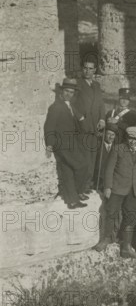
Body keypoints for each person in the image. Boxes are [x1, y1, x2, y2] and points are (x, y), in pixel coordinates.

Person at [93, 127, 136, 258]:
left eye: (135, 139)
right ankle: (106, 239)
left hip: (134, 190)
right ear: (127, 138)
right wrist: (108, 187)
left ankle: (126, 247)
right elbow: (109, 169)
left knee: (131, 216)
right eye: (130, 138)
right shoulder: (118, 149)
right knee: (111, 212)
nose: (132, 141)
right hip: (117, 188)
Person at [44, 78, 89, 209]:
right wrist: (49, 145)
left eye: (71, 92)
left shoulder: (70, 106)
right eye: (66, 91)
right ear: (61, 92)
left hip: (72, 143)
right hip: (62, 145)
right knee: (82, 165)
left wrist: (80, 118)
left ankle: (73, 199)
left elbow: (80, 121)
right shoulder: (55, 107)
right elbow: (49, 127)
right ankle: (78, 193)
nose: (69, 94)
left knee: (68, 171)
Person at [74, 60, 105, 192]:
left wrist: (103, 119)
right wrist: (80, 118)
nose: (87, 71)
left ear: (94, 70)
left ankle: (88, 184)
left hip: (95, 127)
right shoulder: (78, 84)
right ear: (82, 69)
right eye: (85, 68)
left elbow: (101, 104)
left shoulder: (97, 85)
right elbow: (71, 104)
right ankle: (80, 187)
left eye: (90, 69)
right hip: (83, 126)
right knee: (83, 157)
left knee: (92, 156)